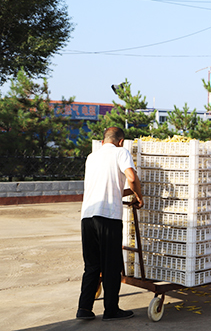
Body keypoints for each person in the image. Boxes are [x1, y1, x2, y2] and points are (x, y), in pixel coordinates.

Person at [76, 127, 144, 321]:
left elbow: (108, 187)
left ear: (103, 140)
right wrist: (140, 196)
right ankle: (111, 310)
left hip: (88, 217)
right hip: (109, 218)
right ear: (121, 141)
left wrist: (128, 193)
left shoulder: (92, 157)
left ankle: (84, 309)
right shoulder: (121, 152)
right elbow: (131, 177)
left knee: (91, 265)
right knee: (111, 265)